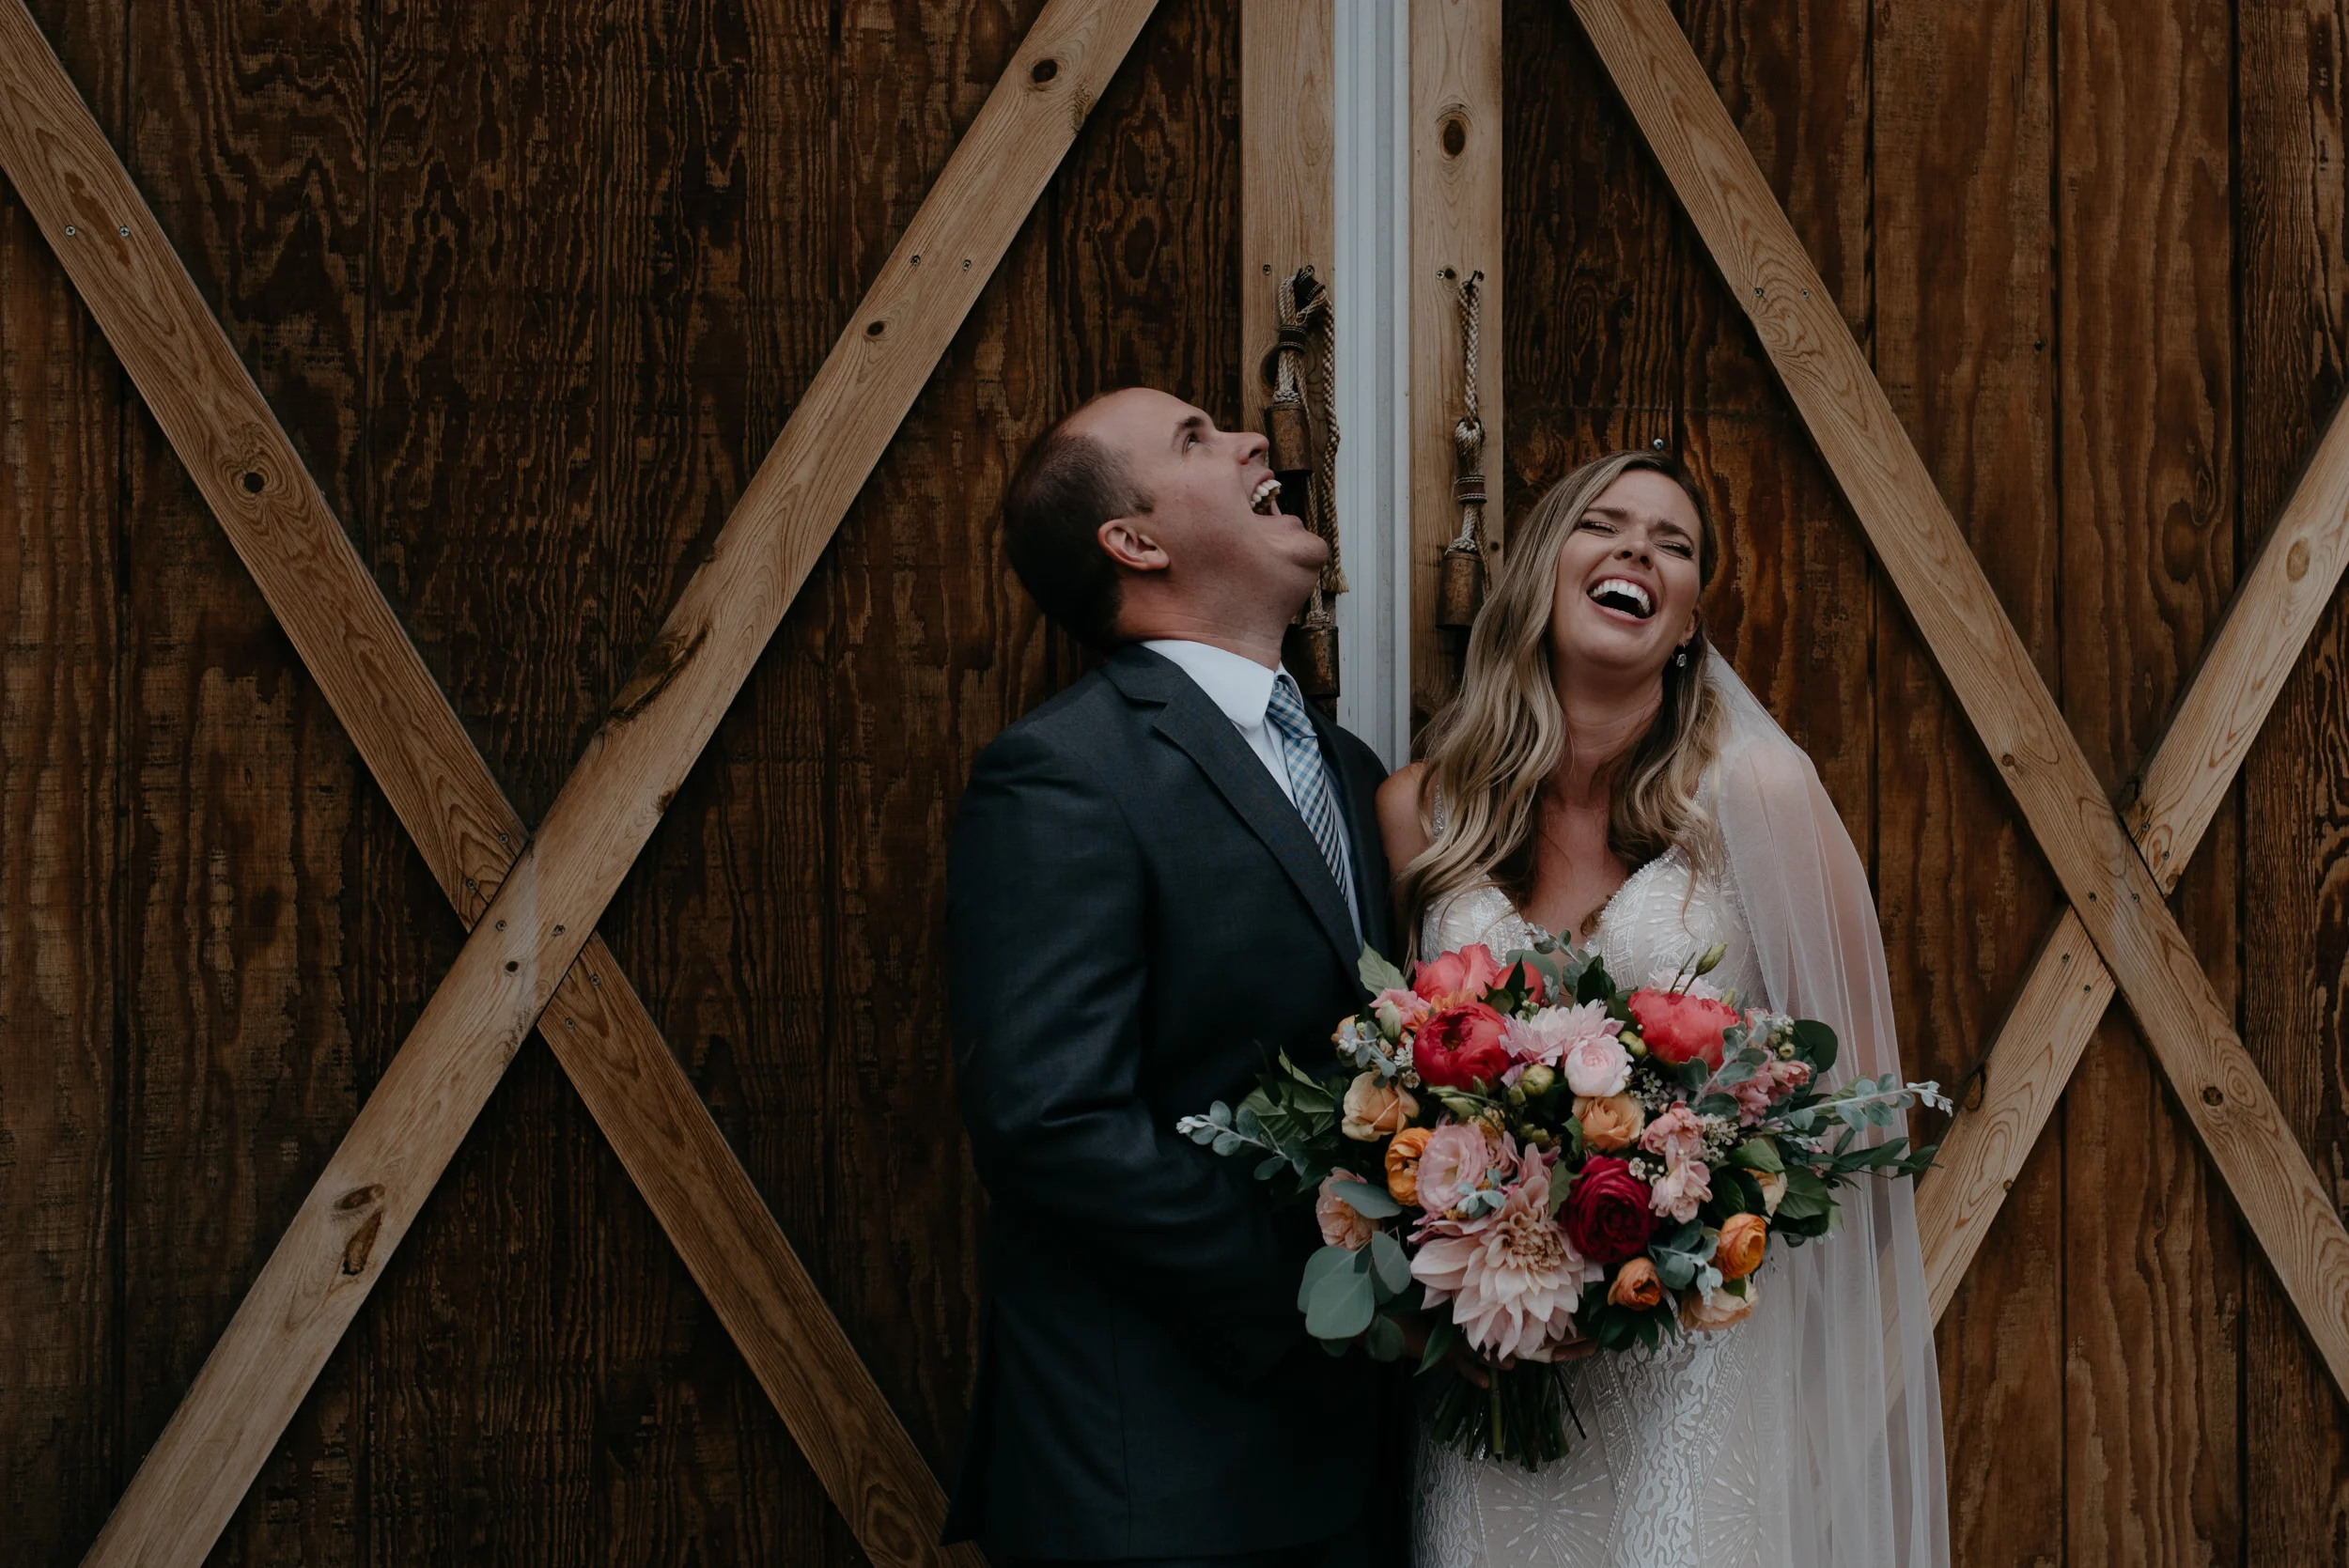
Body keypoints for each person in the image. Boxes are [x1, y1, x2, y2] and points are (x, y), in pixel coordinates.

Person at [1378, 450, 1949, 1567]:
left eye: (1673, 544)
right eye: (1604, 525)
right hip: (1496, 1362)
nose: (1639, 549)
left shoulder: (1758, 797)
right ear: (1545, 572)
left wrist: (1686, 1195)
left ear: (1687, 622)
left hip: (1695, 1367)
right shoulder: (1422, 807)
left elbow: (1872, 1116)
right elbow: (1399, 1094)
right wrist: (1479, 1245)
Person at [943, 387, 1399, 1565]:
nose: (1256, 440)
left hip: (1346, 1465)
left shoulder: (1349, 769)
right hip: (1154, 1473)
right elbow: (1051, 1119)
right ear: (1133, 542)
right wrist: (1316, 1287)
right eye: (1196, 437)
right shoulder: (1062, 773)